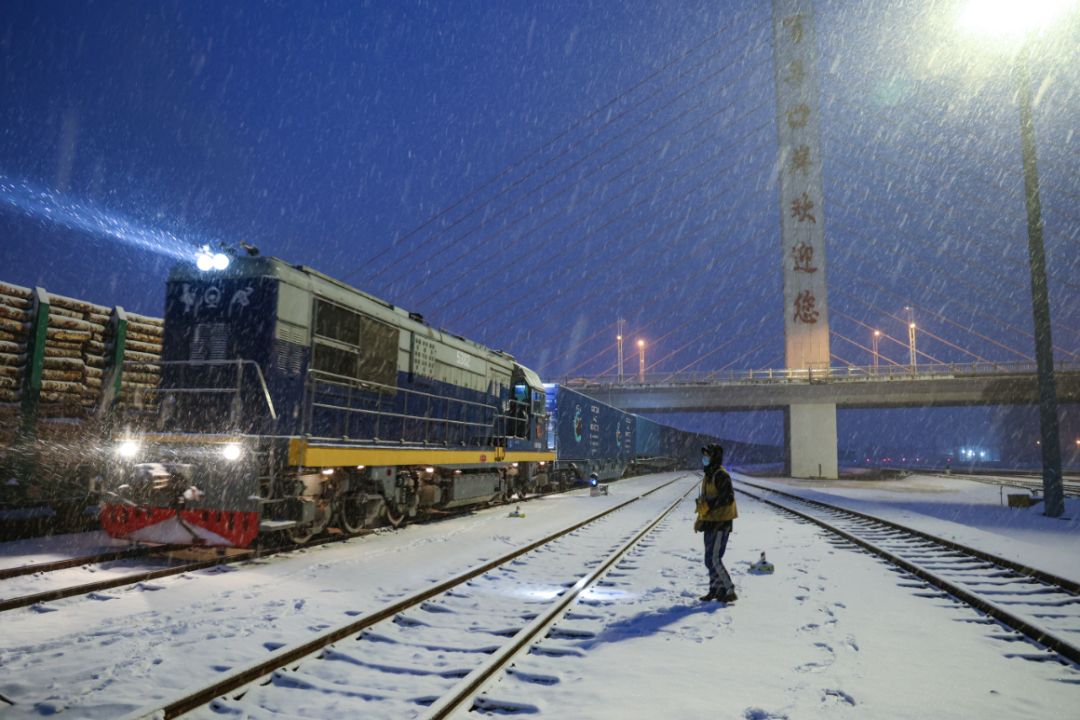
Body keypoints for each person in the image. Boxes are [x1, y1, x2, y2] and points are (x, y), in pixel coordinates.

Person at [694, 443, 738, 603]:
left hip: (721, 523)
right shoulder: (709, 474)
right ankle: (715, 590)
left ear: (714, 457)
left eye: (707, 455)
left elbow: (728, 498)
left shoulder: (720, 475)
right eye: (704, 454)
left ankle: (729, 589)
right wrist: (700, 520)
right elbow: (705, 500)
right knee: (709, 559)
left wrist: (710, 503)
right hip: (710, 522)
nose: (704, 457)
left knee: (714, 559)